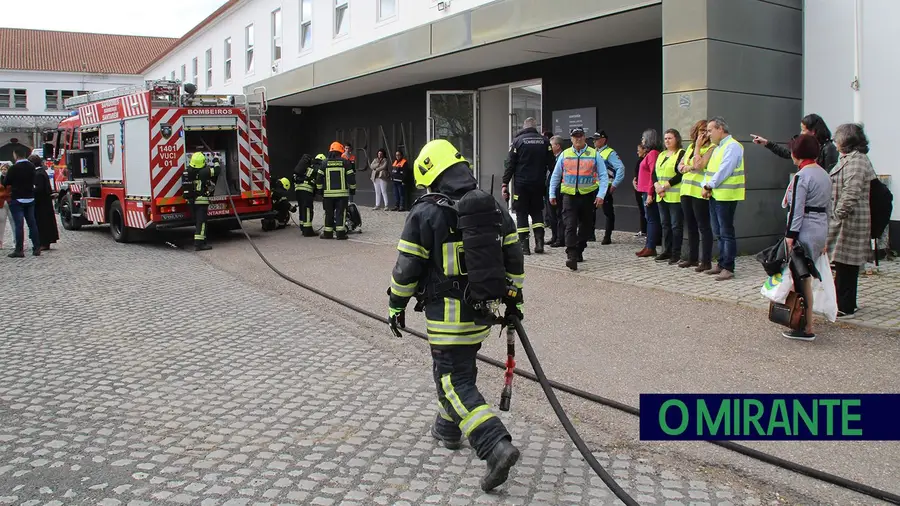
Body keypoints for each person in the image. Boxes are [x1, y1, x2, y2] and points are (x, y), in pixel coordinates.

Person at [386, 138, 525, 492]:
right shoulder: (490, 205)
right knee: (461, 371)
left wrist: (396, 305)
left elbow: (406, 269)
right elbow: (514, 257)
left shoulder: (425, 211)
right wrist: (514, 299)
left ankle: (495, 445)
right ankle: (447, 428)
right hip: (482, 312)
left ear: (432, 174)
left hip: (446, 316)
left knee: (451, 380)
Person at [781, 134, 832, 340]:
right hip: (820, 228)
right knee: (806, 277)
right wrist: (827, 236)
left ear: (796, 154)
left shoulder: (801, 177)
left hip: (804, 229)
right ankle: (805, 321)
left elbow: (796, 210)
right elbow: (829, 207)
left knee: (800, 278)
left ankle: (804, 325)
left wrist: (790, 235)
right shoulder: (824, 174)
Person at [828, 123, 877, 318]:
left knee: (846, 264)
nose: (835, 141)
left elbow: (852, 192)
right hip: (845, 220)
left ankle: (846, 306)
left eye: (837, 138)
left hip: (850, 221)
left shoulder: (857, 161)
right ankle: (845, 303)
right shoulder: (849, 158)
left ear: (846, 140)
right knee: (843, 264)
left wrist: (837, 214)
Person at [548, 127, 608, 271]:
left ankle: (579, 248)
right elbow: (556, 176)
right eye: (575, 136)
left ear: (585, 137)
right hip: (569, 196)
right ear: (571, 138)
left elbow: (603, 176)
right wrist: (551, 194)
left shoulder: (594, 154)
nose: (578, 139)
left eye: (580, 136)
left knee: (586, 227)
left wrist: (601, 195)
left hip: (588, 196)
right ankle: (571, 255)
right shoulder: (565, 154)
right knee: (569, 225)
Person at [503, 117, 555, 255]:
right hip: (539, 183)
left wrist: (504, 183)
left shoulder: (518, 142)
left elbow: (510, 165)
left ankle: (524, 246)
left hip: (521, 185)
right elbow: (552, 164)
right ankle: (539, 242)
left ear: (524, 127)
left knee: (521, 213)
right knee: (537, 211)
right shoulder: (545, 141)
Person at [702, 117, 745, 281]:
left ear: (721, 129)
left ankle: (728, 266)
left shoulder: (732, 146)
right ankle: (721, 263)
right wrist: (706, 186)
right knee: (718, 232)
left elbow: (724, 170)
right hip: (716, 194)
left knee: (726, 232)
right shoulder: (718, 147)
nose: (708, 134)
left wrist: (708, 186)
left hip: (726, 195)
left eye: (710, 130)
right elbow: (710, 170)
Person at [678, 120, 715, 272]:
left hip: (700, 192)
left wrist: (698, 149)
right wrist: (689, 166)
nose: (703, 133)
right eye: (701, 130)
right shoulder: (690, 147)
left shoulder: (711, 148)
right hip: (686, 190)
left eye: (706, 130)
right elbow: (680, 167)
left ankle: (705, 260)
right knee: (691, 226)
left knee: (703, 226)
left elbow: (699, 166)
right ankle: (692, 258)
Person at [751, 114, 839, 171]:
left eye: (803, 130)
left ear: (813, 131)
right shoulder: (806, 147)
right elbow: (787, 153)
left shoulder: (828, 148)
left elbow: (830, 175)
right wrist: (767, 143)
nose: (801, 133)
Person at [652, 129, 686, 264]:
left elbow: (680, 174)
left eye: (670, 138)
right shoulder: (662, 154)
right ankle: (666, 250)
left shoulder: (681, 154)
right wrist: (656, 186)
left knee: (676, 225)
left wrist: (665, 185)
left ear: (677, 139)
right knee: (665, 225)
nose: (667, 141)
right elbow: (654, 172)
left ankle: (676, 253)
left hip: (674, 195)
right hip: (661, 195)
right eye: (665, 138)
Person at [2, 150, 41, 257]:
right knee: (32, 224)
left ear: (15, 155)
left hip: (17, 199)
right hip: (30, 198)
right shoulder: (31, 167)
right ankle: (37, 248)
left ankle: (19, 250)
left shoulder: (13, 168)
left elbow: (6, 182)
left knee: (19, 225)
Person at [317, 141, 356, 239]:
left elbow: (319, 178)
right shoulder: (345, 162)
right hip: (341, 195)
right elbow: (351, 178)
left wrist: (320, 190)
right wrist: (352, 190)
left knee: (328, 213)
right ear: (340, 152)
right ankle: (340, 234)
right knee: (341, 213)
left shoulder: (324, 163)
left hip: (328, 195)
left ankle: (328, 233)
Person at [592, 131, 625, 245]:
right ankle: (590, 234)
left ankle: (607, 236)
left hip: (605, 185)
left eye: (597, 139)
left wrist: (615, 184)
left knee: (608, 212)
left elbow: (620, 168)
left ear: (604, 140)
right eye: (594, 139)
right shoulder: (593, 151)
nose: (594, 141)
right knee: (590, 211)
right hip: (593, 185)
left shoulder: (610, 153)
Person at [634, 129, 661, 258]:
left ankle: (651, 246)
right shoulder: (650, 154)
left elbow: (653, 175)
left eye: (643, 138)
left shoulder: (653, 154)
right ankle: (648, 245)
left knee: (651, 219)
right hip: (644, 190)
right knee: (649, 218)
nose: (642, 140)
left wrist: (650, 193)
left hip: (648, 191)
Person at [187, 152, 219, 251]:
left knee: (198, 222)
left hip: (192, 201)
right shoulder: (205, 171)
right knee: (202, 222)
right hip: (202, 201)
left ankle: (202, 240)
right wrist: (216, 160)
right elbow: (217, 171)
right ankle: (199, 244)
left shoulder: (188, 171)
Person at [28, 154, 59, 251]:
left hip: (41, 203)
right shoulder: (41, 172)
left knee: (42, 223)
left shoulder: (38, 174)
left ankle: (44, 243)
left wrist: (31, 189)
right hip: (44, 202)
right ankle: (44, 242)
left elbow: (39, 188)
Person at [546, 135, 565, 247]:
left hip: (559, 189)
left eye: (551, 145)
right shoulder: (551, 158)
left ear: (557, 146)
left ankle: (560, 238)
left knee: (559, 215)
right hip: (550, 188)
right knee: (551, 215)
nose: (549, 148)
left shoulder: (562, 157)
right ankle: (554, 236)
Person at [293, 153, 319, 237]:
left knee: (302, 208)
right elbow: (317, 182)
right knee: (308, 209)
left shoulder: (302, 168)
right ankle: (308, 230)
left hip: (298, 189)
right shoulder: (314, 168)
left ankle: (303, 227)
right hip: (306, 190)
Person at [633, 144, 647, 239]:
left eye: (639, 150)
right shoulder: (639, 161)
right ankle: (643, 230)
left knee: (646, 210)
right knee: (642, 210)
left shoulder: (645, 160)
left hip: (644, 189)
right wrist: (634, 182)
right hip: (638, 188)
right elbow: (636, 175)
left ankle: (647, 231)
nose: (637, 152)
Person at [0, 163, 11, 249]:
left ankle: (16, 241)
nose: (3, 171)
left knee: (13, 221)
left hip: (10, 201)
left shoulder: (12, 179)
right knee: (1, 222)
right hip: (1, 202)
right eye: (2, 169)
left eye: (5, 169)